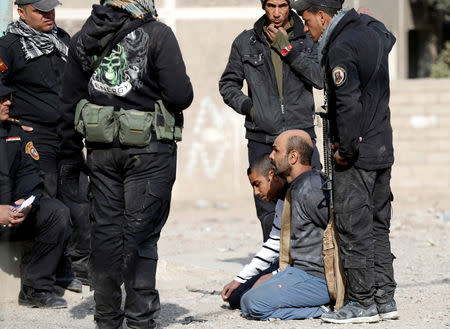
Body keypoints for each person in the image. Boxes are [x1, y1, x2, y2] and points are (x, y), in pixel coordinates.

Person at [57, 0, 193, 327]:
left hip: (101, 152)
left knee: (104, 235)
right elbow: (179, 95)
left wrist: (72, 158)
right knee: (141, 234)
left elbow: (68, 101)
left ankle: (106, 318)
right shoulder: (158, 34)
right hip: (148, 152)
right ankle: (141, 320)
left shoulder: (81, 39)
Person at [292, 0, 397, 323]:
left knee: (354, 227)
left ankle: (362, 302)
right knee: (378, 226)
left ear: (323, 16)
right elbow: (389, 36)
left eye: (307, 21)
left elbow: (347, 105)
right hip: (381, 147)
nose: (306, 30)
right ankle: (385, 299)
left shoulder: (340, 46)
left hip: (358, 154)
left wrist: (345, 150)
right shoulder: (371, 33)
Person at [0, 0, 90, 287]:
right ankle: (51, 273)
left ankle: (79, 266)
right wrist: (13, 126)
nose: (48, 14)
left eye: (51, 8)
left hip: (68, 134)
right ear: (21, 11)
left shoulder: (61, 40)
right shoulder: (9, 46)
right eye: (40, 10)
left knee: (79, 199)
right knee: (46, 200)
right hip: (34, 137)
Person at [219, 0, 323, 242]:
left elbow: (319, 78)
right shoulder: (246, 42)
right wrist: (251, 109)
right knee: (267, 209)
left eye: (283, 5)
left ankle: (309, 267)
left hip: (300, 138)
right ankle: (276, 268)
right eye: (271, 5)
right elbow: (227, 84)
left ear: (290, 6)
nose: (277, 13)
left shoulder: (307, 38)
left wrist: (286, 49)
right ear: (263, 6)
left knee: (312, 201)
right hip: (262, 138)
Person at [240, 130, 330, 320]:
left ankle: (323, 309)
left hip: (316, 278)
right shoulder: (295, 188)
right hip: (297, 272)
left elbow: (335, 230)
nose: (271, 156)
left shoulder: (311, 188)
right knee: (244, 299)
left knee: (254, 304)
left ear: (293, 156)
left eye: (276, 151)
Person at [0, 85, 72, 308]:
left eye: (8, 97)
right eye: (1, 99)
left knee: (56, 213)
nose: (8, 103)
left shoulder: (16, 132)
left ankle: (35, 289)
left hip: (13, 216)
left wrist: (25, 202)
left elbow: (31, 173)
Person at [221, 154, 286, 309]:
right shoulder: (281, 203)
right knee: (236, 297)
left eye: (258, 184)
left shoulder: (298, 196)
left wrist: (275, 275)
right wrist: (240, 279)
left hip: (305, 270)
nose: (256, 192)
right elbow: (273, 244)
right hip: (288, 266)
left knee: (253, 301)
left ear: (271, 176)